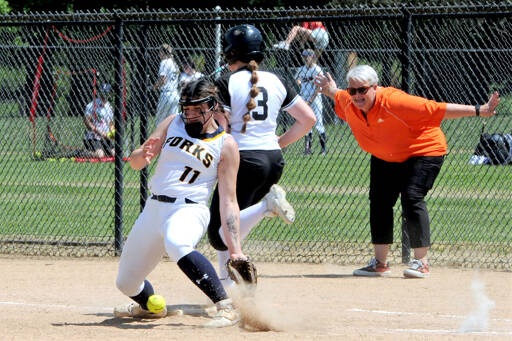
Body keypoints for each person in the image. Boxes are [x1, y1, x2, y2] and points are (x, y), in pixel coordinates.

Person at [314, 65, 500, 278]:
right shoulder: (348, 102)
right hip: (386, 154)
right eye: (352, 90)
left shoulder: (395, 102)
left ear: (375, 87)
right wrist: (331, 89)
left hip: (423, 149)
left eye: (362, 90)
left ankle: (421, 262)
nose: (357, 95)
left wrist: (480, 110)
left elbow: (437, 109)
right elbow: (336, 94)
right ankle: (379, 263)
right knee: (380, 201)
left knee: (412, 196)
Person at [114, 79, 248, 328]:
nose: (190, 114)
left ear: (212, 106)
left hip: (189, 208)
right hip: (154, 208)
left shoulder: (225, 144)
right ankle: (151, 307)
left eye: (198, 109)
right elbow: (135, 163)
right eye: (187, 109)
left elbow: (229, 201)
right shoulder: (173, 122)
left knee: (178, 242)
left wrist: (235, 249)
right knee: (126, 283)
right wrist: (142, 154)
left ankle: (226, 306)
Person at [208, 24, 316, 286]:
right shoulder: (277, 79)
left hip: (242, 161)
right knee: (229, 228)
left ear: (231, 53)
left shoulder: (225, 82)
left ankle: (267, 206)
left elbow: (222, 129)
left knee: (220, 233)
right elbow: (309, 119)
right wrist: (279, 143)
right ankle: (227, 288)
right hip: (272, 160)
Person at [295, 49, 327, 155]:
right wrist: (302, 81)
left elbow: (318, 88)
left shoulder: (317, 70)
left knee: (318, 123)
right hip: (304, 98)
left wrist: (310, 100)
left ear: (313, 57)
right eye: (304, 56)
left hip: (315, 98)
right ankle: (308, 150)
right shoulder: (301, 69)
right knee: (307, 123)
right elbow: (297, 80)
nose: (306, 58)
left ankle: (323, 149)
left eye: (308, 56)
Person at [82, 83, 114, 158]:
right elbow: (87, 122)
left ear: (110, 93)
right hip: (92, 137)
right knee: (100, 155)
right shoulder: (92, 105)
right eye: (102, 92)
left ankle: (103, 151)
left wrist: (112, 133)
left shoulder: (109, 107)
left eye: (106, 93)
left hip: (105, 138)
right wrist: (99, 132)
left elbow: (111, 124)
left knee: (115, 154)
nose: (104, 95)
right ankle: (82, 153)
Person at [153, 44, 180, 127]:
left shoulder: (164, 62)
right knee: (173, 121)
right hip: (175, 94)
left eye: (159, 52)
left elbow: (163, 80)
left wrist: (154, 87)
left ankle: (159, 139)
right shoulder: (173, 62)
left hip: (166, 94)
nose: (158, 54)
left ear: (162, 52)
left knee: (160, 122)